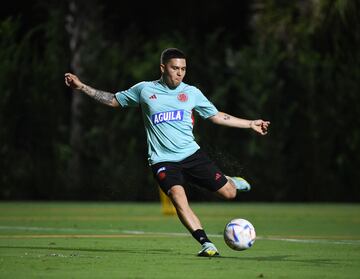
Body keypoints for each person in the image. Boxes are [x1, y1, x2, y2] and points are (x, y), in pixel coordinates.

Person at [64, 48, 270, 257]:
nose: (180, 73)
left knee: (229, 193)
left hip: (192, 155)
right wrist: (81, 87)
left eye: (183, 69)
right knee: (177, 196)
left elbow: (217, 116)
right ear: (163, 68)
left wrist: (250, 123)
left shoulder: (192, 93)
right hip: (162, 161)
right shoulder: (144, 90)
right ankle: (206, 244)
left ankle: (230, 181)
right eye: (175, 68)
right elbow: (114, 100)